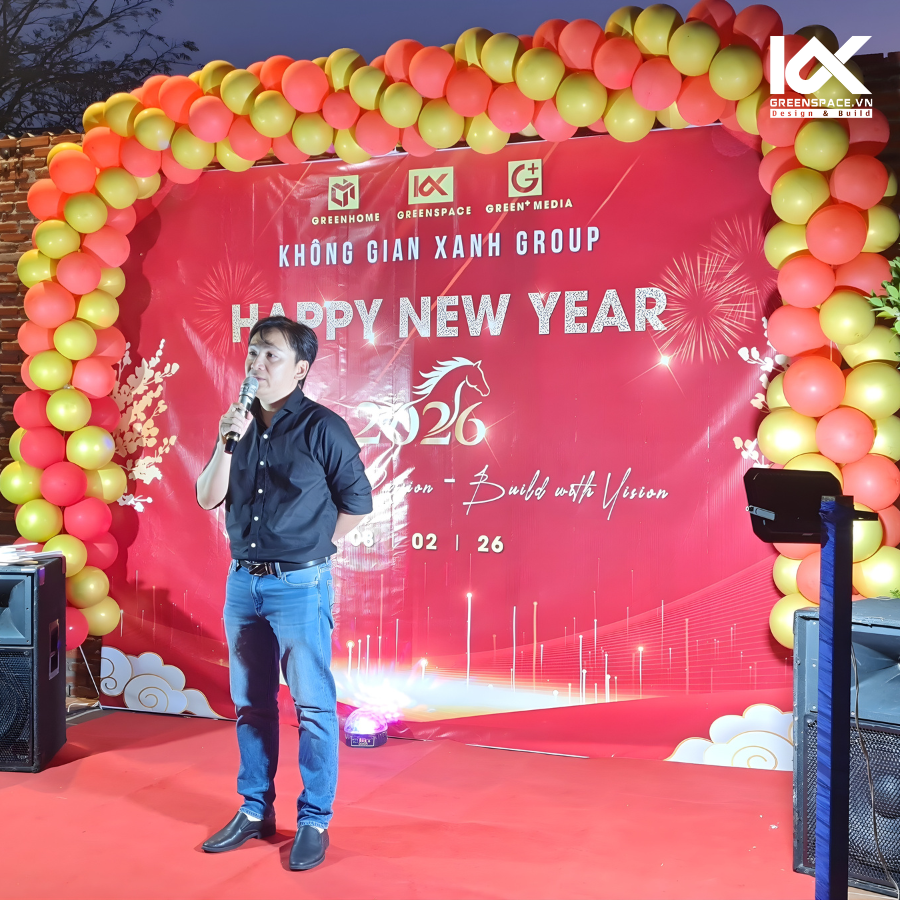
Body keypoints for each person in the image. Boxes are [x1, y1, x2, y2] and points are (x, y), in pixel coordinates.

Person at [195, 315, 372, 871]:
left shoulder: (324, 427)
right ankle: (255, 809)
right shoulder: (237, 424)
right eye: (253, 353)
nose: (258, 364)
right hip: (242, 584)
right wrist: (226, 441)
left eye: (271, 355)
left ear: (300, 369)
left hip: (300, 585)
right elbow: (207, 497)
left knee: (313, 706)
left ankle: (315, 819)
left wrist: (313, 550)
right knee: (252, 703)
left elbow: (358, 503)